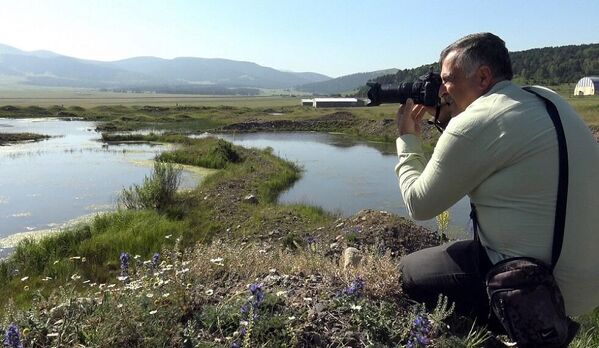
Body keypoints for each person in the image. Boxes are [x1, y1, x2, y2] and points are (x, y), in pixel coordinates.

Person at [394, 32, 599, 322]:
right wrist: (451, 120)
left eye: (448, 80)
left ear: (483, 77)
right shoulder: (545, 97)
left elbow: (419, 205)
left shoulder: (474, 122)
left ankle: (487, 330)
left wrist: (407, 139)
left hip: (538, 292)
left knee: (407, 272)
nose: (441, 90)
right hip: (587, 286)